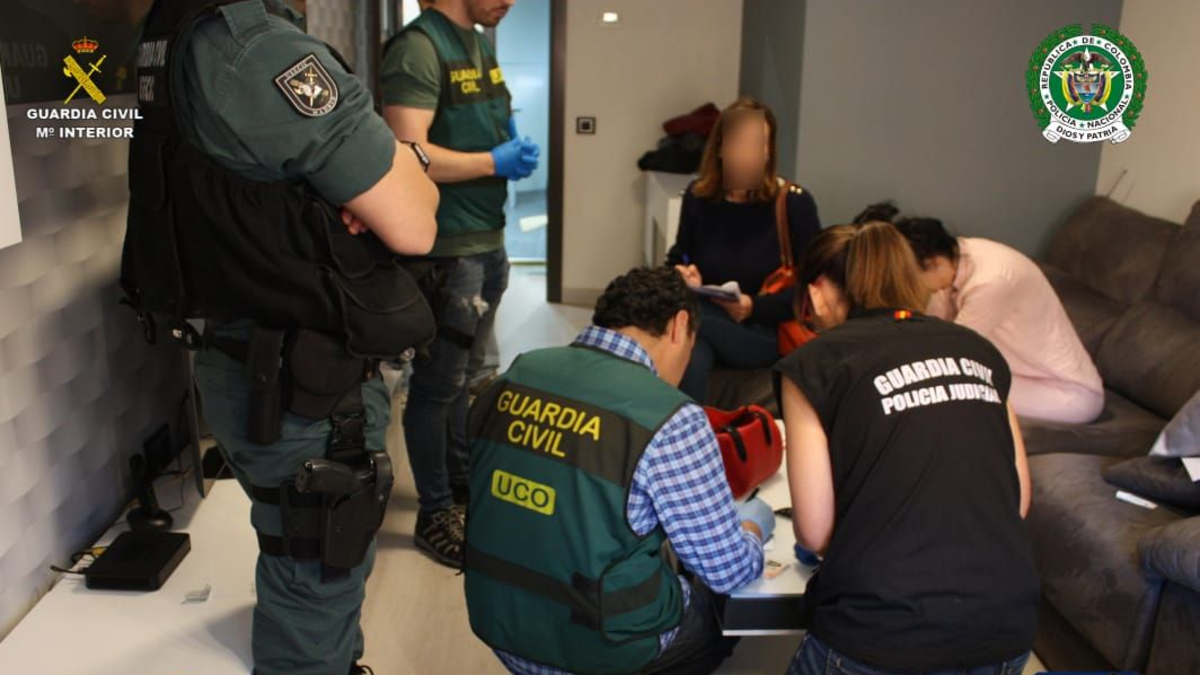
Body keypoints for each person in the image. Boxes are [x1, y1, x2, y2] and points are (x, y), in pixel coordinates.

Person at [119, 1, 439, 674]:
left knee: (319, 558)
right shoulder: (254, 45)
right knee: (318, 566)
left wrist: (362, 188)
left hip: (248, 357)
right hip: (303, 378)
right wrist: (402, 165)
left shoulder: (172, 29)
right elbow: (414, 222)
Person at [464, 267, 773, 675]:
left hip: (499, 623)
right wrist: (753, 527)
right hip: (603, 647)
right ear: (679, 325)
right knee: (719, 608)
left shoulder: (516, 373)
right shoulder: (671, 416)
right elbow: (727, 571)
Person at [773, 221, 1039, 675]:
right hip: (1005, 626)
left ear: (817, 295)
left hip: (879, 629)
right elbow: (1017, 500)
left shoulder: (815, 362)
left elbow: (814, 534)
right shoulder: (978, 350)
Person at [378, 0, 540, 567]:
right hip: (447, 249)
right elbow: (409, 154)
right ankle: (435, 512)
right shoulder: (419, 49)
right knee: (436, 386)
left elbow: (479, 124)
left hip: (487, 238)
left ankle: (462, 484)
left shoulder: (478, 40)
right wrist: (494, 162)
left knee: (466, 377)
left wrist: (506, 147)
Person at [856, 203, 1104, 424]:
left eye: (912, 277)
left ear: (934, 262)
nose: (913, 286)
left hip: (1066, 393)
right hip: (1021, 375)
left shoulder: (992, 281)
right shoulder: (954, 261)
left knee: (947, 390)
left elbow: (951, 350)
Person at [666, 97, 821, 403]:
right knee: (695, 352)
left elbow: (813, 288)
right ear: (721, 148)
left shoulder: (793, 203)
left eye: (759, 143)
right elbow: (679, 255)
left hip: (765, 328)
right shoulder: (699, 198)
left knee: (688, 326)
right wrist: (683, 273)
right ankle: (693, 428)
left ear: (769, 151)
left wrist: (753, 306)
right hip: (708, 316)